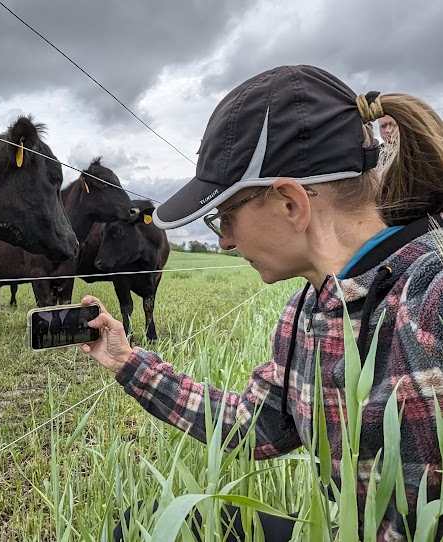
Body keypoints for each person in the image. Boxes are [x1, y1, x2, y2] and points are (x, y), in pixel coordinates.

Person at [80, 65, 443, 541]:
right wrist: (129, 363)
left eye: (224, 218)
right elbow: (258, 427)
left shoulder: (430, 298)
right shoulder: (306, 314)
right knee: (147, 525)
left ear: (290, 202)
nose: (226, 242)